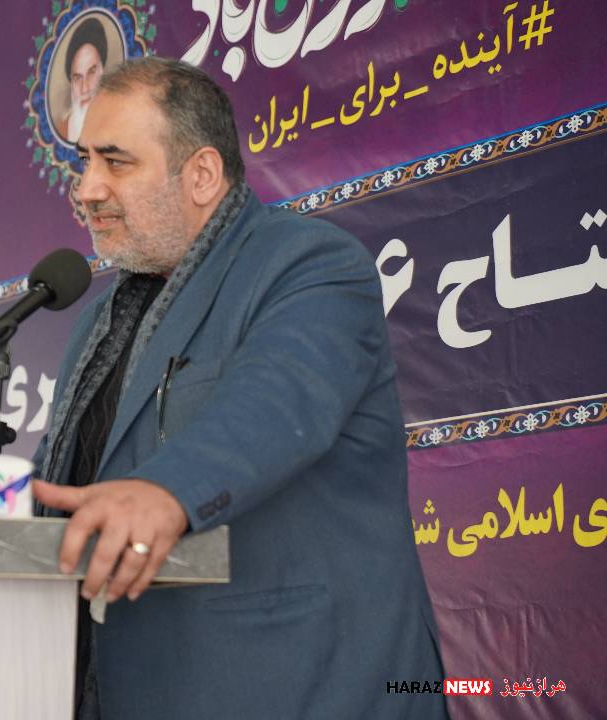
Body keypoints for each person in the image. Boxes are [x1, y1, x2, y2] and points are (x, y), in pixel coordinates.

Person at [31, 57, 448, 719]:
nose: (86, 189)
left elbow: (277, 403)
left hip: (303, 689)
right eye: (84, 162)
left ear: (200, 174)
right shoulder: (98, 322)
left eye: (115, 162)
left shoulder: (309, 264)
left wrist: (169, 491)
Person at [56, 17, 107, 143]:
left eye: (91, 73)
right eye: (78, 78)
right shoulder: (62, 132)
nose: (85, 88)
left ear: (102, 71)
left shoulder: (121, 121)